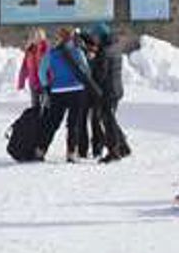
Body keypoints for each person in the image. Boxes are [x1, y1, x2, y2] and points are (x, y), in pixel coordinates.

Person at [36, 26, 99, 162]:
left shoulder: (51, 53)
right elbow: (86, 70)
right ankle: (71, 153)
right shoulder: (77, 51)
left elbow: (41, 72)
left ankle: (41, 150)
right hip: (77, 90)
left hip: (57, 91)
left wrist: (46, 86)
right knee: (73, 123)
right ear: (71, 37)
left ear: (59, 38)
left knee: (52, 122)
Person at [88, 22, 131, 163]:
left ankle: (114, 151)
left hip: (108, 91)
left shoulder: (104, 51)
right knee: (111, 119)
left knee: (107, 121)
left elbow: (100, 74)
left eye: (95, 36)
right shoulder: (114, 47)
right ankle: (123, 146)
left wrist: (92, 62)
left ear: (100, 35)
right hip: (115, 89)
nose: (93, 39)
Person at [16, 28, 49, 109]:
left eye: (38, 35)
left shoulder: (46, 49)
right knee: (35, 108)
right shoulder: (29, 51)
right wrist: (21, 82)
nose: (35, 38)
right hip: (33, 84)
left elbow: (51, 66)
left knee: (46, 108)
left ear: (42, 37)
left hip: (45, 83)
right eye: (33, 36)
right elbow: (24, 67)